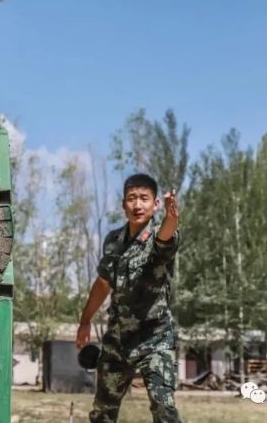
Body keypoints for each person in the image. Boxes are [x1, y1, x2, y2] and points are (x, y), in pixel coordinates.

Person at [76, 173, 182, 423]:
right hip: (118, 340)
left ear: (155, 204)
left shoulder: (159, 235)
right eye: (132, 198)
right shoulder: (113, 241)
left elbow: (166, 234)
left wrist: (172, 217)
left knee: (163, 407)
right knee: (102, 412)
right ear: (123, 204)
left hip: (155, 338)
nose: (137, 205)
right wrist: (85, 320)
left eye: (144, 198)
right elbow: (103, 284)